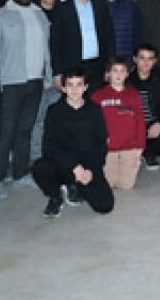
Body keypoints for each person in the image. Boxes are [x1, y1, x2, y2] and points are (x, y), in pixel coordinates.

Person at [0, 0, 50, 199]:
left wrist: (47, 78)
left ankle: (21, 174)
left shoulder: (40, 16)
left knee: (25, 131)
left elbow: (46, 51)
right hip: (9, 84)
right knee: (5, 133)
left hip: (36, 81)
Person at [32, 67, 114, 218]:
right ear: (63, 87)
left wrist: (90, 169)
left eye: (79, 84)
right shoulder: (54, 111)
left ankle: (75, 187)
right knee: (40, 167)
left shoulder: (94, 110)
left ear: (85, 87)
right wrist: (74, 167)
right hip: (64, 165)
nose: (75, 89)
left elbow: (101, 144)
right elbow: (49, 147)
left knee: (105, 205)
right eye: (70, 85)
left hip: (87, 165)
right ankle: (56, 195)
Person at [50, 0, 117, 91]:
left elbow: (109, 37)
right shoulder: (61, 8)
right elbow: (55, 42)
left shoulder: (101, 5)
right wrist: (57, 73)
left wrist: (110, 67)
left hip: (98, 66)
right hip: (72, 66)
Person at [91, 58, 147, 191]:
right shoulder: (98, 96)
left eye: (122, 71)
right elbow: (92, 124)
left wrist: (140, 149)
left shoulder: (134, 95)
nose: (118, 74)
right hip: (107, 150)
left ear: (127, 74)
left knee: (126, 185)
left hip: (129, 149)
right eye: (115, 71)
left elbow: (140, 122)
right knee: (107, 185)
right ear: (108, 74)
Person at [127, 45, 160, 170]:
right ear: (135, 59)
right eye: (142, 58)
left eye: (150, 59)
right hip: (133, 126)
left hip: (153, 125)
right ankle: (146, 151)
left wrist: (159, 123)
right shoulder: (126, 82)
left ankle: (148, 151)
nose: (146, 62)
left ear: (155, 61)